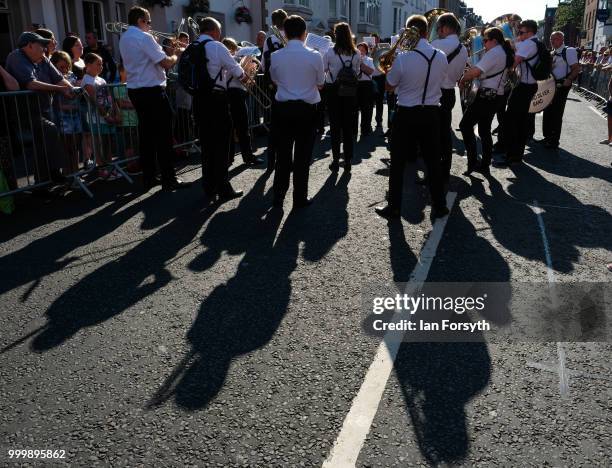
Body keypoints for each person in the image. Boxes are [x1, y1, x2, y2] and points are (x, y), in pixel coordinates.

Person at [375, 15, 449, 220]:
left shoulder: (403, 58)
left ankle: (395, 208)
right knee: (433, 161)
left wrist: (391, 71)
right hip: (432, 114)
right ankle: (440, 205)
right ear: (426, 31)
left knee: (397, 163)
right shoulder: (441, 56)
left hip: (406, 114)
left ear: (408, 32)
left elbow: (389, 86)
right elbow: (441, 80)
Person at [119, 6, 188, 191]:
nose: (150, 25)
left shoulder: (125, 37)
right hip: (152, 90)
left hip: (136, 90)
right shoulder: (144, 37)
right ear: (141, 21)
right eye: (148, 22)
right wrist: (176, 54)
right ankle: (169, 178)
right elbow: (165, 63)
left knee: (147, 136)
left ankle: (149, 177)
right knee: (164, 135)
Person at [269, 15, 324, 209]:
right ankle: (299, 198)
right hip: (307, 110)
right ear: (304, 34)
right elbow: (321, 83)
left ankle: (278, 197)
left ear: (284, 32)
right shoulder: (315, 55)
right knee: (302, 157)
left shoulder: (275, 56)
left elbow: (274, 80)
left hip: (283, 110)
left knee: (282, 156)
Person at [5, 31, 74, 185]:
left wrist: (71, 89)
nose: (44, 48)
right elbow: (31, 84)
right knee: (49, 132)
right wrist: (61, 89)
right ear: (29, 46)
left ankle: (45, 182)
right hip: (25, 112)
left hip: (42, 109)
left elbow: (60, 79)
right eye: (41, 45)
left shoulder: (42, 58)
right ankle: (53, 174)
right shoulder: (17, 57)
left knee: (43, 144)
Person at [191, 17, 248, 202]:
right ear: (214, 31)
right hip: (216, 100)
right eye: (219, 31)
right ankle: (223, 187)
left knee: (207, 145)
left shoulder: (192, 47)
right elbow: (238, 72)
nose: (220, 34)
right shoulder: (217, 46)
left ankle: (208, 185)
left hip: (199, 100)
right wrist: (247, 73)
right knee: (222, 145)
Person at [459, 27, 514, 176]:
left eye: (485, 40)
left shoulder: (495, 52)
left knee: (464, 126)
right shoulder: (501, 51)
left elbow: (476, 72)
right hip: (496, 96)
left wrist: (464, 78)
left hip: (486, 96)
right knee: (484, 130)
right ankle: (484, 164)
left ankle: (473, 162)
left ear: (494, 40)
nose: (483, 43)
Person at [494, 20, 541, 167]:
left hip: (524, 87)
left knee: (514, 122)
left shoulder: (529, 44)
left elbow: (514, 62)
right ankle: (513, 154)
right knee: (518, 121)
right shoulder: (534, 42)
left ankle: (513, 156)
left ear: (530, 32)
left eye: (521, 33)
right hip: (526, 86)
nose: (519, 35)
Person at [431, 12, 468, 184]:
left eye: (438, 28)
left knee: (431, 135)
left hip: (434, 93)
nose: (437, 31)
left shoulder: (437, 44)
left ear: (445, 27)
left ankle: (433, 172)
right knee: (445, 134)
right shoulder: (464, 49)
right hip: (449, 93)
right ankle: (444, 171)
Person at [323, 22, 362, 171]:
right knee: (348, 127)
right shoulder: (356, 53)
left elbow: (324, 69)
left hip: (334, 92)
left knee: (335, 127)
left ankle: (335, 160)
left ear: (335, 34)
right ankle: (348, 160)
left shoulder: (330, 52)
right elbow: (357, 72)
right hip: (350, 93)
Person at [221, 37, 263, 166]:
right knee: (241, 127)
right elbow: (241, 74)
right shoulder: (232, 60)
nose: (237, 51)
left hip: (234, 93)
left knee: (233, 127)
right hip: (234, 94)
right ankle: (247, 156)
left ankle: (230, 158)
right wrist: (248, 60)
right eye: (235, 49)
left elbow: (247, 76)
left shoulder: (231, 60)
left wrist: (251, 71)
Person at [82, 52, 120, 180]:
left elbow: (110, 97)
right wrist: (106, 115)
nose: (101, 67)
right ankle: (102, 169)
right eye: (98, 64)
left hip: (106, 117)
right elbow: (94, 100)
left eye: (102, 64)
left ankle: (109, 167)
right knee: (98, 144)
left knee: (107, 143)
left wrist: (115, 112)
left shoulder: (102, 79)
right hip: (96, 118)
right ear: (88, 65)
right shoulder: (87, 80)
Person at [541, 32, 581, 150]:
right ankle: (547, 136)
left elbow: (576, 68)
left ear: (562, 39)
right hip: (550, 85)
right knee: (547, 111)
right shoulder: (552, 52)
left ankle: (554, 140)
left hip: (561, 85)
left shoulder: (569, 51)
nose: (553, 41)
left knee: (556, 113)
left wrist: (569, 79)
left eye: (556, 39)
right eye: (551, 39)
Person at [262, 9, 288, 172]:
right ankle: (286, 161)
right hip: (291, 85)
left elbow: (264, 64)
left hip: (275, 85)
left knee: (276, 124)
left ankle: (271, 161)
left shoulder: (270, 39)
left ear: (273, 23)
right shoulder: (293, 37)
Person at [50, 50, 82, 176]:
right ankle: (68, 173)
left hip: (75, 114)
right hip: (62, 116)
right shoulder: (54, 79)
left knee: (75, 146)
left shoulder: (72, 76)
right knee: (66, 146)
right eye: (61, 67)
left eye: (67, 66)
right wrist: (64, 106)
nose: (65, 69)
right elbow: (55, 100)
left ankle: (75, 172)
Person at [356, 42, 375, 137]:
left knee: (366, 108)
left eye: (363, 50)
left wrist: (361, 64)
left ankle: (365, 128)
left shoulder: (369, 60)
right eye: (359, 50)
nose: (361, 52)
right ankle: (353, 129)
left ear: (366, 51)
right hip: (356, 84)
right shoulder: (353, 59)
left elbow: (371, 71)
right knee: (354, 108)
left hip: (366, 85)